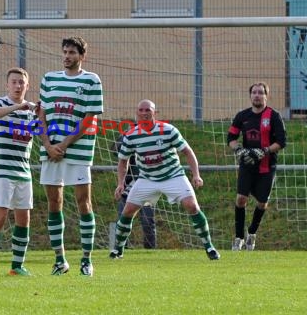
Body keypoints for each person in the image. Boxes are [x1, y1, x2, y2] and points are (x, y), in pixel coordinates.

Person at [110, 99, 220, 261]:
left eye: (148, 110)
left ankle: (209, 247)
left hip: (173, 175)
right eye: (141, 110)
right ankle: (118, 250)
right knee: (127, 211)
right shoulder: (131, 136)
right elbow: (122, 162)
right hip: (147, 178)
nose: (144, 113)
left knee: (192, 206)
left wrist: (196, 175)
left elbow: (187, 152)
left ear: (155, 112)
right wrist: (120, 183)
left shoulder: (168, 130)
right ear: (136, 113)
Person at [37, 36, 103, 277]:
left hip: (78, 152)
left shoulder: (91, 80)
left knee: (83, 203)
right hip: (50, 151)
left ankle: (86, 259)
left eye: (72, 52)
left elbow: (89, 119)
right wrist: (47, 144)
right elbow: (41, 113)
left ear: (81, 56)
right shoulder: (49, 79)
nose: (67, 56)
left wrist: (63, 144)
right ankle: (60, 260)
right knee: (54, 204)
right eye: (65, 51)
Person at [0, 67, 36, 276]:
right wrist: (18, 106)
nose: (17, 85)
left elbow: (40, 129)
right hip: (2, 169)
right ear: (7, 85)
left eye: (21, 82)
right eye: (14, 82)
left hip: (23, 170)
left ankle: (16, 266)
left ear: (27, 86)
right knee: (0, 215)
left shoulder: (31, 110)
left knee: (24, 218)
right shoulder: (0, 103)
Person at [227, 82, 286, 251]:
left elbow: (281, 142)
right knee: (241, 199)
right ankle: (238, 238)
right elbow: (230, 137)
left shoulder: (274, 116)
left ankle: (251, 233)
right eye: (254, 92)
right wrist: (238, 149)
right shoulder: (242, 116)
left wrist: (264, 151)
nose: (257, 95)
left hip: (267, 166)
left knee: (262, 203)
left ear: (266, 96)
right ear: (250, 95)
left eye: (261, 92)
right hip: (247, 164)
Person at [114, 155, 157, 251]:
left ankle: (150, 249)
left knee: (147, 221)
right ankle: (120, 249)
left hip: (146, 188)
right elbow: (116, 148)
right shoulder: (127, 142)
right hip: (127, 189)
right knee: (122, 220)